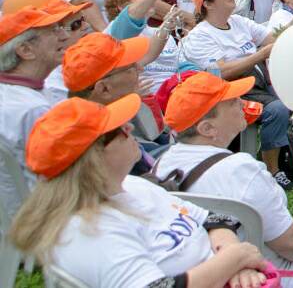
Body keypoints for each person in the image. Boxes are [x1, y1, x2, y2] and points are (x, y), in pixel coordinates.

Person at [12, 95, 272, 288]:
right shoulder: (87, 231)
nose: (130, 128)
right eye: (118, 130)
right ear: (93, 158)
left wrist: (232, 258)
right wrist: (232, 260)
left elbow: (213, 219)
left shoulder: (131, 184)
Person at [154, 73, 293, 288]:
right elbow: (291, 244)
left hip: (206, 271)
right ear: (207, 128)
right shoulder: (240, 169)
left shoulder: (161, 164)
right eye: (232, 102)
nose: (243, 103)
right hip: (264, 274)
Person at [180, 0, 293, 188]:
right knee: (277, 109)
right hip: (232, 92)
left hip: (261, 83)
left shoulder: (238, 21)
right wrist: (258, 55)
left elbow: (272, 41)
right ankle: (273, 171)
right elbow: (221, 73)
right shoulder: (200, 36)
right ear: (208, 4)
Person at [0, 0, 85, 216]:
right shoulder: (32, 109)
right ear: (26, 50)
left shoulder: (18, 95)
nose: (64, 36)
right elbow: (66, 184)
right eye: (53, 31)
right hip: (45, 222)